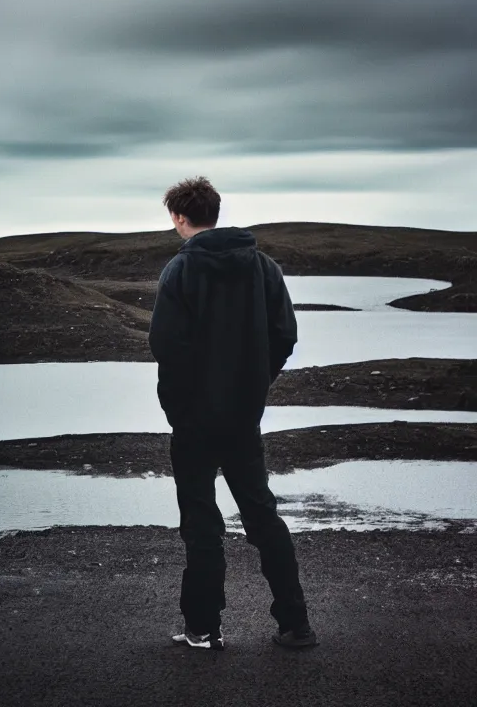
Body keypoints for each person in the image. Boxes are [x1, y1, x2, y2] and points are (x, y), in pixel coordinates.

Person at [149, 176, 317, 651]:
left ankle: (203, 628)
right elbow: (284, 334)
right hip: (244, 417)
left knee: (201, 523)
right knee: (263, 516)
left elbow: (166, 346)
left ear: (179, 218)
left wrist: (179, 407)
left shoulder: (178, 271)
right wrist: (254, 384)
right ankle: (296, 625)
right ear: (216, 212)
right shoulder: (263, 267)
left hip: (194, 422)